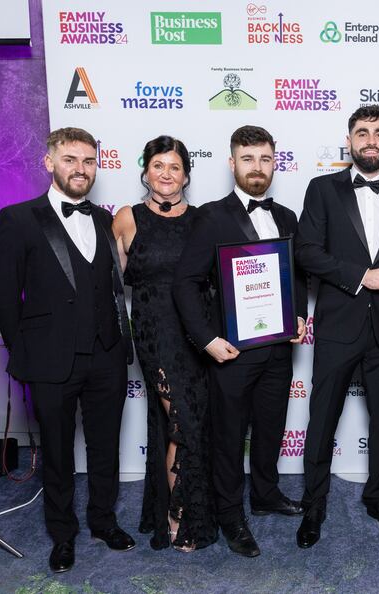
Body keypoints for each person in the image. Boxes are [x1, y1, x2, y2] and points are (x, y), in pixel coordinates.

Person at [0, 127, 135, 572]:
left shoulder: (104, 220)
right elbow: (3, 295)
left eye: (89, 161)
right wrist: (25, 351)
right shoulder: (19, 218)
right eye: (70, 159)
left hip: (107, 355)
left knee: (105, 445)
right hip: (50, 361)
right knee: (56, 450)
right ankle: (62, 533)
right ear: (49, 163)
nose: (81, 169)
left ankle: (103, 521)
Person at [173, 125, 307, 558]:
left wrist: (300, 314)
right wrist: (207, 338)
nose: (257, 168)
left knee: (270, 428)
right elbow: (185, 283)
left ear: (275, 163)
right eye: (248, 159)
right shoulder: (211, 216)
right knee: (229, 438)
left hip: (278, 348)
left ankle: (265, 494)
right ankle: (230, 515)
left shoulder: (286, 216)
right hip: (231, 350)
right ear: (232, 163)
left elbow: (297, 275)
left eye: (265, 159)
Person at [294, 105, 379, 548]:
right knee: (322, 419)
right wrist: (360, 276)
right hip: (337, 325)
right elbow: (306, 251)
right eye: (362, 132)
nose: (371, 139)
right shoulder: (322, 189)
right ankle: (314, 505)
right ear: (349, 141)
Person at [112, 135, 218, 552]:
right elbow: (107, 286)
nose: (166, 174)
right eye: (159, 165)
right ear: (146, 171)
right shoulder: (126, 218)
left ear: (186, 174)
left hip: (197, 334)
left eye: (174, 167)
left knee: (181, 425)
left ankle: (169, 507)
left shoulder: (202, 220)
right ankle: (179, 515)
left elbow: (217, 281)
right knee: (183, 423)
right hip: (155, 333)